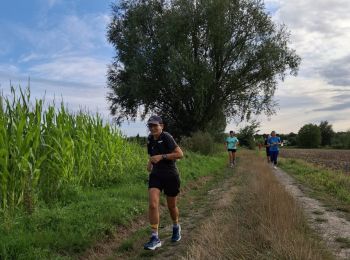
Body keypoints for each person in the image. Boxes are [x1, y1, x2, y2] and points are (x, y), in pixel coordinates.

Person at [144, 115, 184, 250]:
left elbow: (180, 154)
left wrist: (162, 156)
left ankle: (176, 226)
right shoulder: (150, 139)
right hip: (156, 176)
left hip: (171, 175)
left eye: (155, 125)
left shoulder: (166, 137)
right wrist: (150, 162)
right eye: (150, 126)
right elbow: (152, 155)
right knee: (153, 204)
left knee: (171, 206)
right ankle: (155, 237)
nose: (153, 128)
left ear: (162, 126)